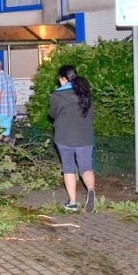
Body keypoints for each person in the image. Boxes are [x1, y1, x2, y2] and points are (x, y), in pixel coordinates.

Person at [49, 65, 96, 213]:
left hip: (65, 136)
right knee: (86, 167)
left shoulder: (57, 96)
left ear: (63, 78)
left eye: (59, 79)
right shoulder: (85, 93)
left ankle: (73, 203)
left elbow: (52, 114)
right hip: (85, 136)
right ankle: (91, 189)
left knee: (68, 168)